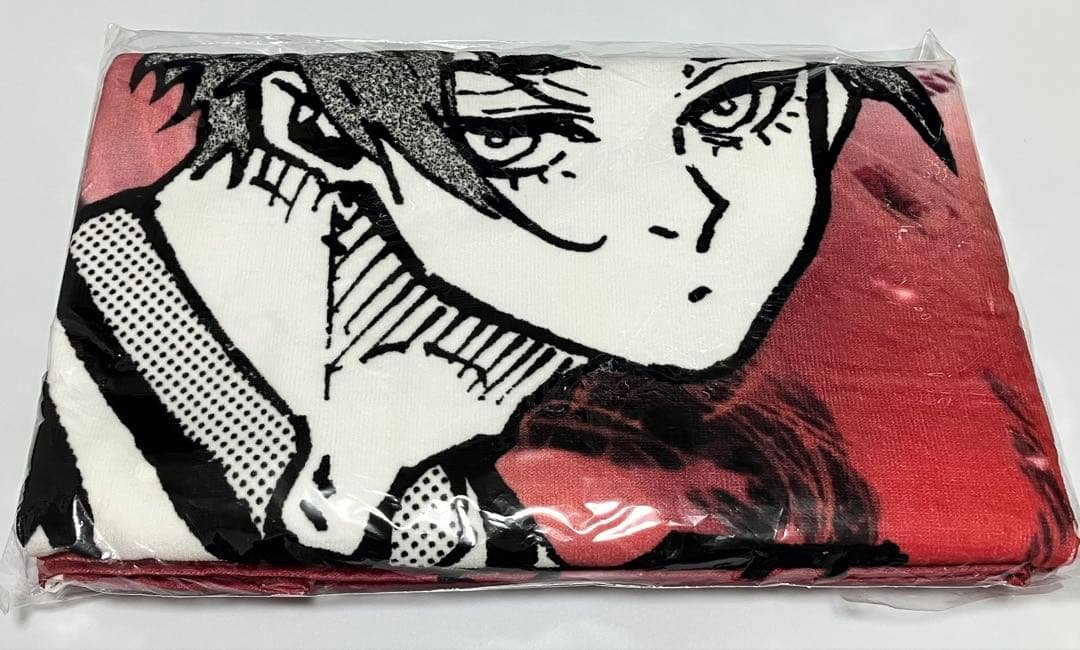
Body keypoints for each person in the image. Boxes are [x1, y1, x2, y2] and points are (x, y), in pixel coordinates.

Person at [19, 50, 955, 572]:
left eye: (736, 111)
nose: (684, 210)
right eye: (521, 134)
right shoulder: (102, 423)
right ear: (312, 130)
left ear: (836, 109)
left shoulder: (481, 467)